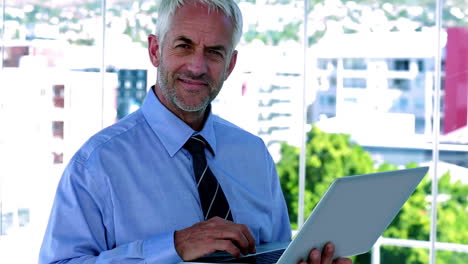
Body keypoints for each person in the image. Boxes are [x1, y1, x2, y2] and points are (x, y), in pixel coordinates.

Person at [39, 1, 352, 264]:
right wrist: (173, 247)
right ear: (154, 50)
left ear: (230, 64)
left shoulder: (254, 154)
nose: (197, 66)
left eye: (215, 52)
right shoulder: (97, 164)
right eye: (184, 46)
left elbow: (274, 255)